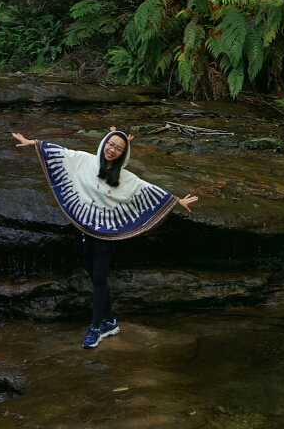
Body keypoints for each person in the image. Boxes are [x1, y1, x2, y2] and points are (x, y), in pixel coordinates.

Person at [11, 128, 198, 349]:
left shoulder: (127, 179)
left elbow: (149, 191)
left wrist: (176, 201)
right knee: (93, 276)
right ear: (104, 143)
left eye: (119, 148)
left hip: (105, 235)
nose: (112, 150)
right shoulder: (85, 161)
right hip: (82, 231)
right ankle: (110, 322)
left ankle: (95, 327)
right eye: (111, 144)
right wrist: (34, 143)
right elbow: (62, 154)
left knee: (99, 279)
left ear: (123, 154)